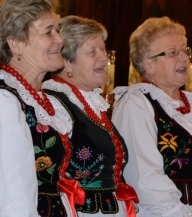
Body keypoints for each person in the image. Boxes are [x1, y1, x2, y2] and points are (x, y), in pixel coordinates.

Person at [112, 16, 192, 217]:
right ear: (148, 65)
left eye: (185, 50)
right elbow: (144, 176)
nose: (184, 57)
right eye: (172, 53)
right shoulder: (137, 103)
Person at [42, 15, 138, 216]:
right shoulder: (54, 103)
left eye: (102, 49)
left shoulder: (90, 102)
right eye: (92, 52)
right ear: (66, 62)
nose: (103, 57)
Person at [0, 0, 78, 216]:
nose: (60, 40)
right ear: (16, 44)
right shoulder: (5, 102)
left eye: (58, 30)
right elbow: (13, 191)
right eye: (48, 32)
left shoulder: (39, 99)